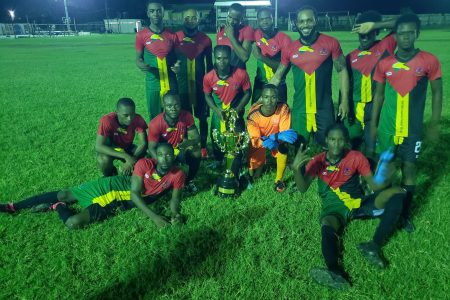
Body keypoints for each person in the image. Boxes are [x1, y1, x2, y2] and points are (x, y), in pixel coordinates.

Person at [291, 123, 406, 289]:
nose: (336, 144)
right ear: (326, 141)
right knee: (327, 224)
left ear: (345, 141)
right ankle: (334, 270)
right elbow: (302, 188)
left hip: (357, 204)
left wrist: (386, 177)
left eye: (340, 140)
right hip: (334, 207)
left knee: (398, 193)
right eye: (332, 139)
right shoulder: (318, 161)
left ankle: (373, 246)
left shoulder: (356, 157)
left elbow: (373, 186)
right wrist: (296, 169)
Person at [0, 143, 185, 229]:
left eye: (169, 155)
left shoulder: (177, 174)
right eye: (161, 155)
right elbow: (135, 194)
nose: (165, 159)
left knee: (73, 223)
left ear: (174, 157)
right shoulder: (144, 164)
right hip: (111, 186)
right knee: (65, 193)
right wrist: (154, 217)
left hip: (114, 202)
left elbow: (175, 199)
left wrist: (175, 214)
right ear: (156, 156)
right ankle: (13, 206)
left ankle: (58, 208)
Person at [371, 13, 443, 232]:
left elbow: (437, 93)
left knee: (410, 169)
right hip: (388, 129)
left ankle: (405, 213)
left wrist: (434, 124)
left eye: (410, 33)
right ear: (396, 35)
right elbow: (379, 96)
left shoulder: (429, 61)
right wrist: (373, 125)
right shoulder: (385, 64)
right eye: (401, 33)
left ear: (417, 34)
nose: (405, 38)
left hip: (412, 131)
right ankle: (387, 207)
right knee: (387, 169)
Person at [270, 6, 350, 147]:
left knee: (330, 148)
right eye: (301, 21)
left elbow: (342, 70)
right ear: (296, 24)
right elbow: (277, 77)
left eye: (309, 20)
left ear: (316, 21)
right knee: (299, 147)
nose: (305, 25)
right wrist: (259, 102)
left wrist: (344, 101)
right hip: (300, 109)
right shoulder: (290, 49)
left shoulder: (331, 43)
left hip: (324, 107)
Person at [345, 11, 397, 152]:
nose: (365, 35)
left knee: (372, 148)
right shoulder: (349, 57)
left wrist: (374, 25)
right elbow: (345, 87)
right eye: (362, 31)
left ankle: (371, 171)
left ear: (377, 31)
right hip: (354, 111)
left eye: (370, 31)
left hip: (375, 109)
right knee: (349, 147)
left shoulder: (385, 46)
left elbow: (406, 22)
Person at [203, 45, 251, 179]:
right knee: (216, 136)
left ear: (230, 58)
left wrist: (238, 109)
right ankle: (219, 160)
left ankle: (238, 162)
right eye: (218, 58)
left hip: (235, 113)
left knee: (237, 138)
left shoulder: (241, 73)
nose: (222, 61)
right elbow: (207, 95)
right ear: (214, 58)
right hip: (218, 113)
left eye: (225, 58)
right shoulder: (208, 77)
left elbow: (248, 93)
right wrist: (216, 110)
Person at [175, 8, 213, 159]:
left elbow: (210, 66)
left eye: (193, 17)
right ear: (182, 19)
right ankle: (186, 145)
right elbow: (170, 59)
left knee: (202, 118)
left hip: (199, 85)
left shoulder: (205, 39)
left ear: (198, 19)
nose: (190, 20)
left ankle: (203, 146)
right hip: (182, 86)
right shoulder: (175, 37)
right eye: (187, 17)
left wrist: (210, 86)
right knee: (183, 118)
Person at [147, 92, 201, 194]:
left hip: (179, 148)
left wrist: (186, 144)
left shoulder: (186, 116)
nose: (173, 108)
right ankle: (164, 179)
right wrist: (163, 161)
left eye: (176, 105)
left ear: (180, 104)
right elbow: (151, 148)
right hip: (164, 152)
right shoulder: (155, 123)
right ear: (163, 106)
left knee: (196, 151)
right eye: (169, 106)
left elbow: (196, 138)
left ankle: (189, 180)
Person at [247, 84, 296, 192]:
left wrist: (277, 138)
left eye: (273, 97)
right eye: (266, 97)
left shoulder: (283, 108)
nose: (269, 101)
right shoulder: (253, 115)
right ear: (262, 98)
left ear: (277, 98)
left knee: (283, 147)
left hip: (276, 139)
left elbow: (285, 134)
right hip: (260, 139)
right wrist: (269, 139)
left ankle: (278, 180)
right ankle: (251, 174)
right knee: (255, 166)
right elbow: (255, 139)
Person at [135, 0, 179, 120]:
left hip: (171, 82)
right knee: (155, 116)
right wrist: (141, 64)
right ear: (148, 13)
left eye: (159, 11)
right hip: (153, 82)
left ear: (163, 12)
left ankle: (173, 138)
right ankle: (156, 139)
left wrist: (177, 65)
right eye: (152, 11)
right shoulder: (141, 35)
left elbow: (177, 58)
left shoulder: (172, 34)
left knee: (173, 115)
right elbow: (138, 58)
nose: (156, 14)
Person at [96, 98, 148, 177]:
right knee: (103, 160)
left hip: (127, 147)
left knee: (147, 153)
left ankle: (131, 175)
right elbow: (99, 146)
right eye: (125, 115)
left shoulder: (138, 119)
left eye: (132, 114)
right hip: (112, 148)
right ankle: (110, 176)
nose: (130, 118)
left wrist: (132, 159)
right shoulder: (107, 120)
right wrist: (126, 156)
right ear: (117, 112)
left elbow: (143, 143)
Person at [252, 7, 291, 103]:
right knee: (255, 115)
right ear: (258, 21)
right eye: (261, 19)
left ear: (273, 18)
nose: (265, 22)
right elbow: (241, 31)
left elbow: (284, 68)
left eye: (267, 18)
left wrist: (261, 57)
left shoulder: (284, 39)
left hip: (278, 84)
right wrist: (223, 27)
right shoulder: (256, 34)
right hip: (260, 84)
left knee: (279, 116)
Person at [216, 3, 254, 69]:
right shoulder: (220, 31)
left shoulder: (247, 30)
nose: (231, 21)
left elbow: (244, 57)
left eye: (235, 19)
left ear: (241, 19)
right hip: (222, 75)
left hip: (238, 75)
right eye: (230, 17)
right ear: (227, 14)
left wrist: (231, 36)